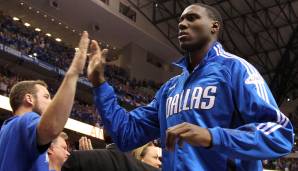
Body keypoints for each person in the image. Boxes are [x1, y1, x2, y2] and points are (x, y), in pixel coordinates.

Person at [87, 3, 294, 171]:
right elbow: (126, 134)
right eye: (180, 21)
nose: (182, 24)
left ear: (214, 27)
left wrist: (212, 136)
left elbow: (281, 133)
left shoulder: (236, 70)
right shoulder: (170, 89)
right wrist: (99, 85)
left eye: (192, 18)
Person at [0, 31, 90, 171]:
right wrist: (73, 73)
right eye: (46, 97)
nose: (50, 102)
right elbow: (53, 125)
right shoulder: (25, 121)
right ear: (29, 99)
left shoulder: (7, 130)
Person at [62, 128, 160, 171]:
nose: (159, 162)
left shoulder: (79, 158)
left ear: (104, 134)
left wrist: (88, 160)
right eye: (156, 157)